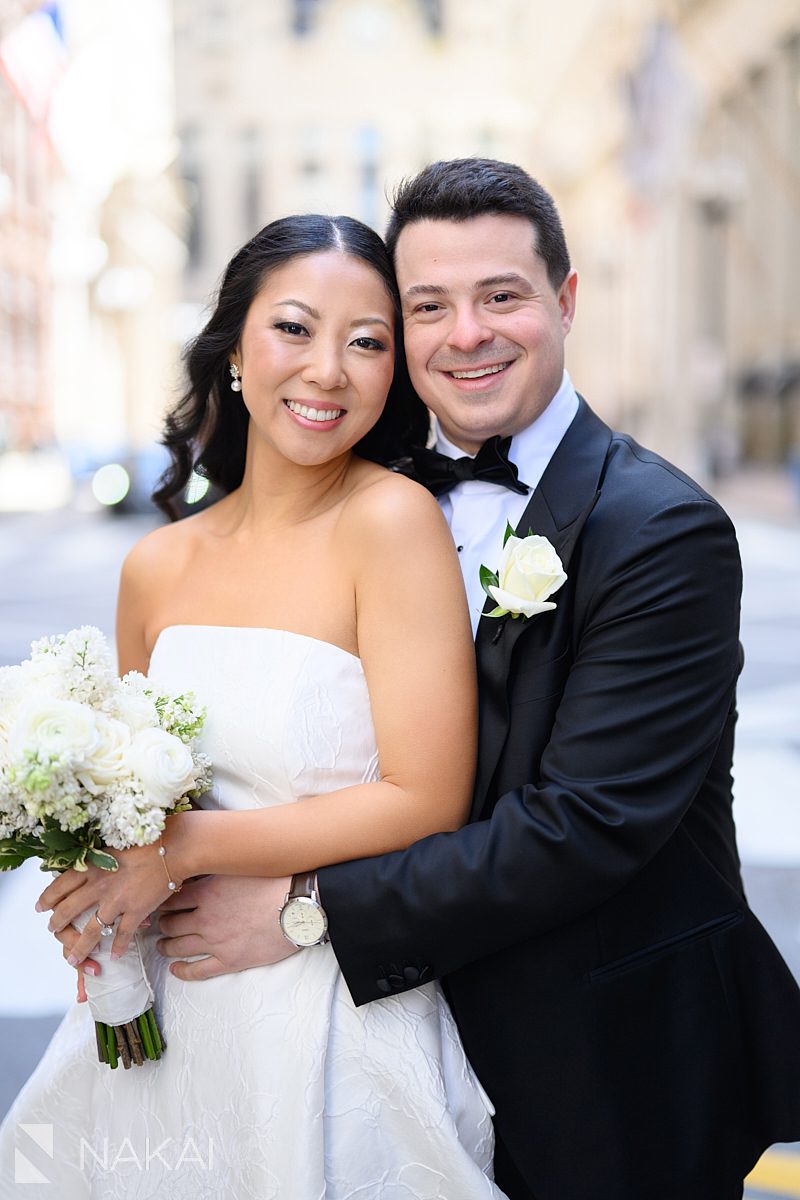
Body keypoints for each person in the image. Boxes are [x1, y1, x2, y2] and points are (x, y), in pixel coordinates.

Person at [109, 160, 800, 1200]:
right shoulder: (369, 498)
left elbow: (583, 825)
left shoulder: (658, 529)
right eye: (427, 306)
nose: (464, 334)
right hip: (377, 1041)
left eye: (502, 297)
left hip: (599, 1060)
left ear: (563, 302)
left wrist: (304, 909)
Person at [0, 214, 508, 1199]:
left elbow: (423, 796)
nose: (327, 370)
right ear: (233, 347)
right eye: (293, 328)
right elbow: (131, 788)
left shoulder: (389, 524)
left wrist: (182, 849)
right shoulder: (157, 565)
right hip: (164, 1009)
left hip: (324, 1010)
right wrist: (96, 892)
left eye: (366, 343)